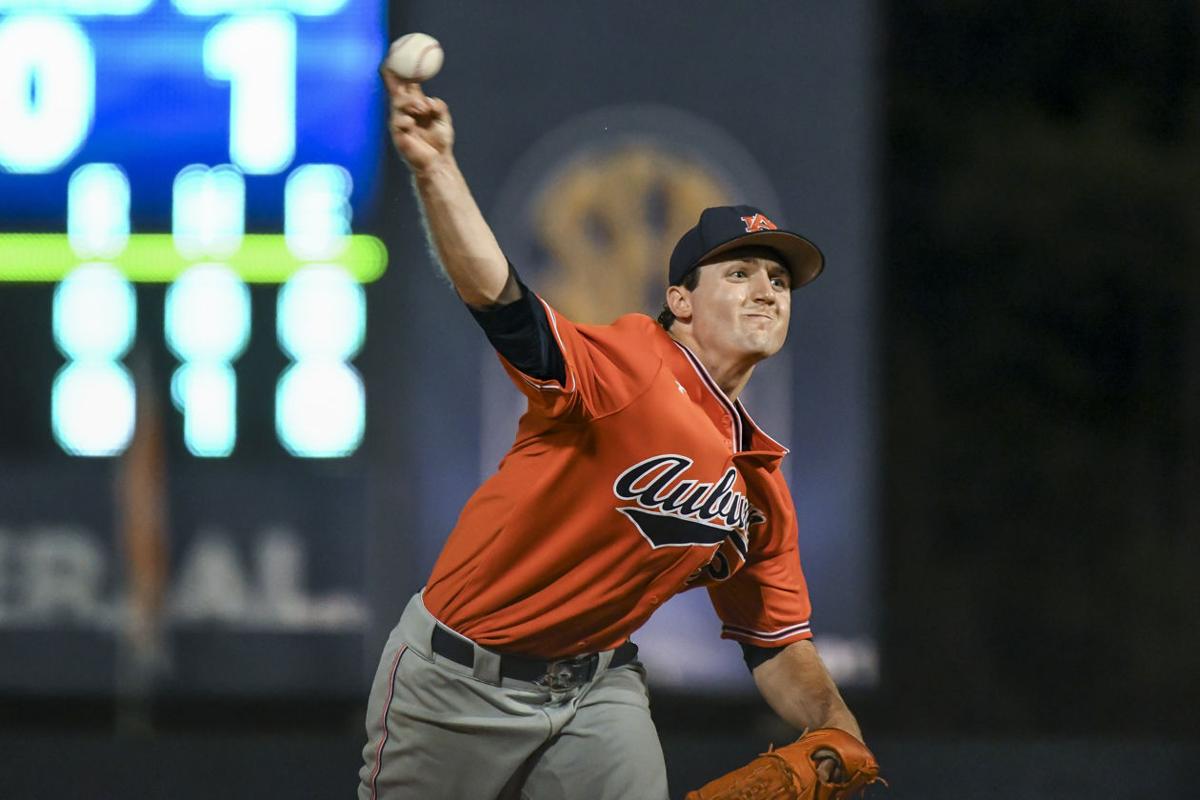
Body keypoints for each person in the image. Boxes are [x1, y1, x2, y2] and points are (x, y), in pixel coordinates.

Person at [359, 71, 866, 800]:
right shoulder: (632, 365)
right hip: (460, 679)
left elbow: (777, 642)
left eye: (780, 282)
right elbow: (502, 302)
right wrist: (436, 168)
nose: (766, 289)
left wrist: (836, 725)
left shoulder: (757, 481)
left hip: (597, 686)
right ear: (679, 299)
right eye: (742, 271)